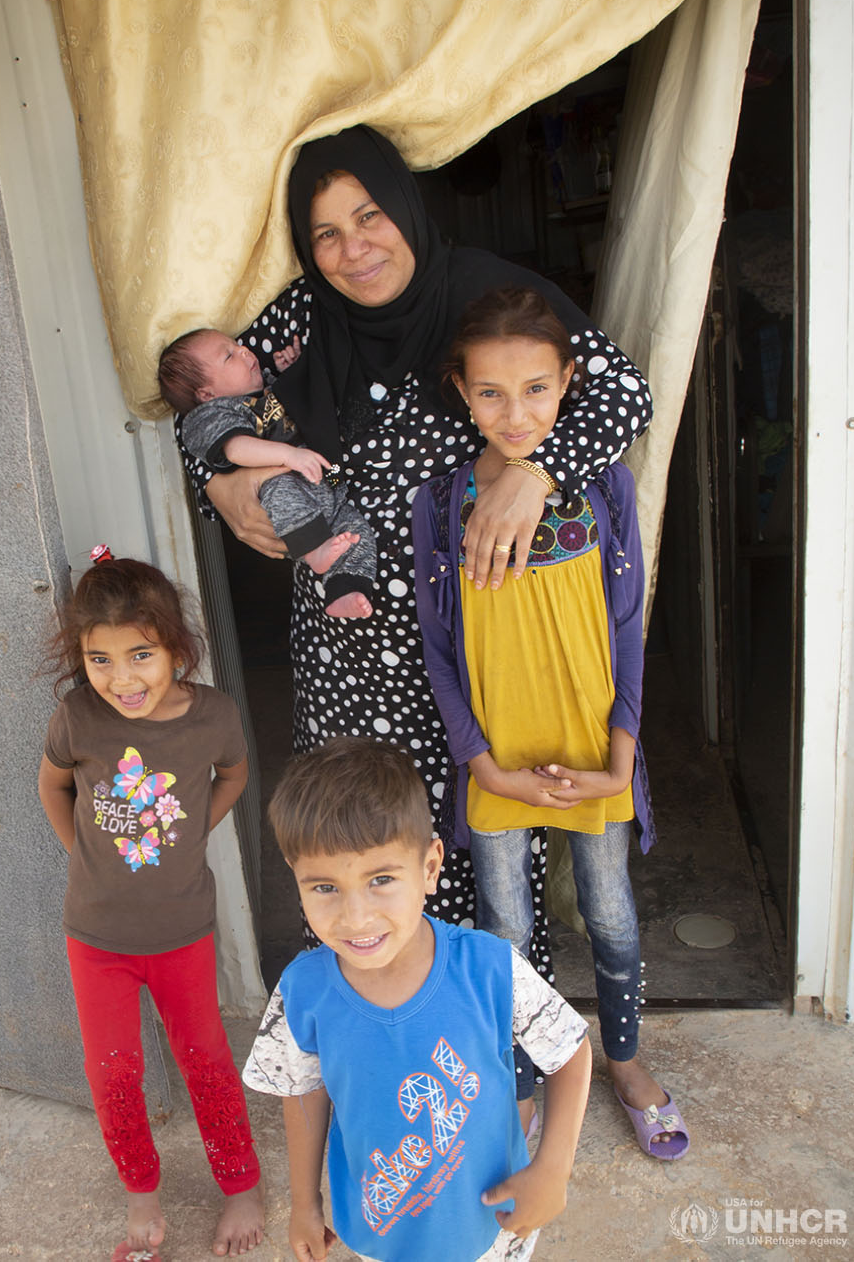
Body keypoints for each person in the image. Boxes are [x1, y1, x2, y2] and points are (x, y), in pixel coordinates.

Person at [177, 123, 652, 951]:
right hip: (346, 663)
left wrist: (537, 473)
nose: (352, 248)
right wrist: (221, 481)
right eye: (325, 232)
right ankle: (381, 1042)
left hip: (469, 651)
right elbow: (205, 407)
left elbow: (622, 393)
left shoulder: (478, 296)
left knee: (485, 869)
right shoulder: (301, 320)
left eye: (369, 216)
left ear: (404, 205)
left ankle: (490, 1047)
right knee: (359, 855)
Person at [413, 287, 688, 1161]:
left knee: (610, 913)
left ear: (570, 380)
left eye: (537, 387)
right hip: (499, 764)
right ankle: (523, 1079)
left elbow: (629, 628)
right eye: (491, 391)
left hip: (592, 756)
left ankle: (625, 1058)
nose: (515, 411)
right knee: (505, 927)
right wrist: (480, 765)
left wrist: (622, 759)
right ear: (461, 390)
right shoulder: (441, 502)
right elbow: (438, 651)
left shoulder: (604, 484)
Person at [243, 738, 592, 1262]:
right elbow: (303, 1093)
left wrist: (553, 1169)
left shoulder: (488, 967)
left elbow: (571, 1053)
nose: (355, 918)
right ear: (294, 875)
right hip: (377, 1234)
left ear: (430, 868)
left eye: (381, 879)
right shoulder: (302, 993)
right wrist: (304, 1203)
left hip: (494, 1228)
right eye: (323, 888)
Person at [37, 553, 265, 1260]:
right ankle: (141, 1194)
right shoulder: (77, 716)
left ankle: (241, 1185)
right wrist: (82, 851)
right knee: (113, 1072)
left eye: (141, 653)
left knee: (205, 1059)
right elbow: (52, 787)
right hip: (96, 935)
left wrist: (198, 825)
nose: (122, 677)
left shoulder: (214, 716)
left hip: (182, 932)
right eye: (99, 658)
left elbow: (235, 772)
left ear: (175, 646)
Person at [160, 327, 375, 617]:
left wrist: (293, 373)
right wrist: (289, 455)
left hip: (327, 481)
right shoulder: (211, 415)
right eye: (229, 356)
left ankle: (345, 591)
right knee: (278, 488)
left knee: (356, 531)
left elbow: (301, 403)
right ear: (206, 393)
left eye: (238, 346)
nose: (245, 351)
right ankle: (314, 552)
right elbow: (236, 449)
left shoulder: (267, 390)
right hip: (287, 499)